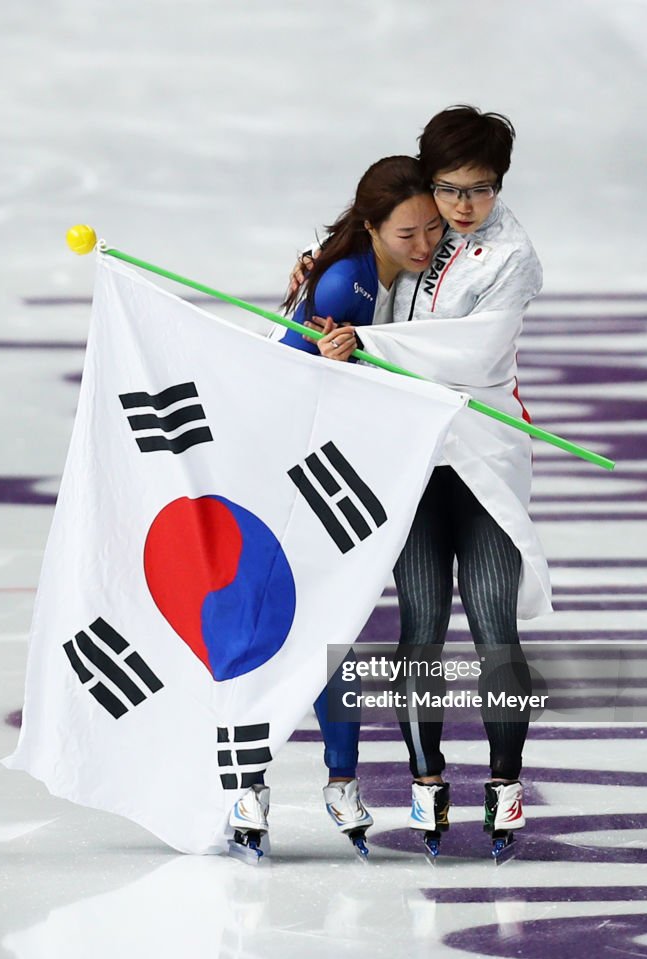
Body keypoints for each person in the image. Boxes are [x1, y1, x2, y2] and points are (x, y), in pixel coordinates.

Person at [310, 105, 552, 860]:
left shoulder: (511, 257)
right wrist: (313, 291)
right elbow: (352, 269)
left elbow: (474, 357)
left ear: (499, 187)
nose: (460, 207)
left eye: (479, 191)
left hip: (481, 458)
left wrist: (369, 344)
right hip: (414, 458)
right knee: (418, 629)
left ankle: (505, 789)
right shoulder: (419, 227)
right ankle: (426, 784)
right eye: (448, 189)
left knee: (492, 631)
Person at [228, 156, 444, 859]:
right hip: (288, 475)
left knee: (334, 627)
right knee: (278, 629)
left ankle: (335, 780)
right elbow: (296, 381)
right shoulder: (343, 283)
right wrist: (343, 361)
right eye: (408, 233)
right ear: (373, 226)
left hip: (325, 472)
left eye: (432, 231)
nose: (423, 246)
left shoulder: (364, 270)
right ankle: (250, 787)